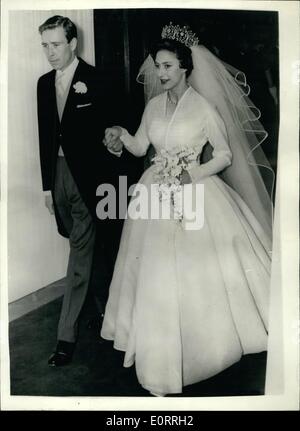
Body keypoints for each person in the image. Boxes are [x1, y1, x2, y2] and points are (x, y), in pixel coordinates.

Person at [101, 23, 274, 396]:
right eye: (157, 66)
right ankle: (156, 349)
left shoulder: (204, 108)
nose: (160, 74)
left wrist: (189, 175)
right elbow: (139, 146)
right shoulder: (152, 107)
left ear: (184, 67)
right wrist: (119, 136)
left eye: (167, 66)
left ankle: (204, 346)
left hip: (194, 193)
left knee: (193, 274)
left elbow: (225, 155)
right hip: (154, 195)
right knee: (154, 270)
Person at [37, 15, 123, 367]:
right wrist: (46, 185)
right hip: (57, 177)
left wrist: (115, 135)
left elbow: (119, 123)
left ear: (73, 43)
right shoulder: (43, 84)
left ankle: (65, 337)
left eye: (56, 44)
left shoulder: (97, 78)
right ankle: (106, 311)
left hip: (89, 181)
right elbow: (44, 136)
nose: (50, 52)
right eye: (45, 45)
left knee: (79, 255)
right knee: (86, 248)